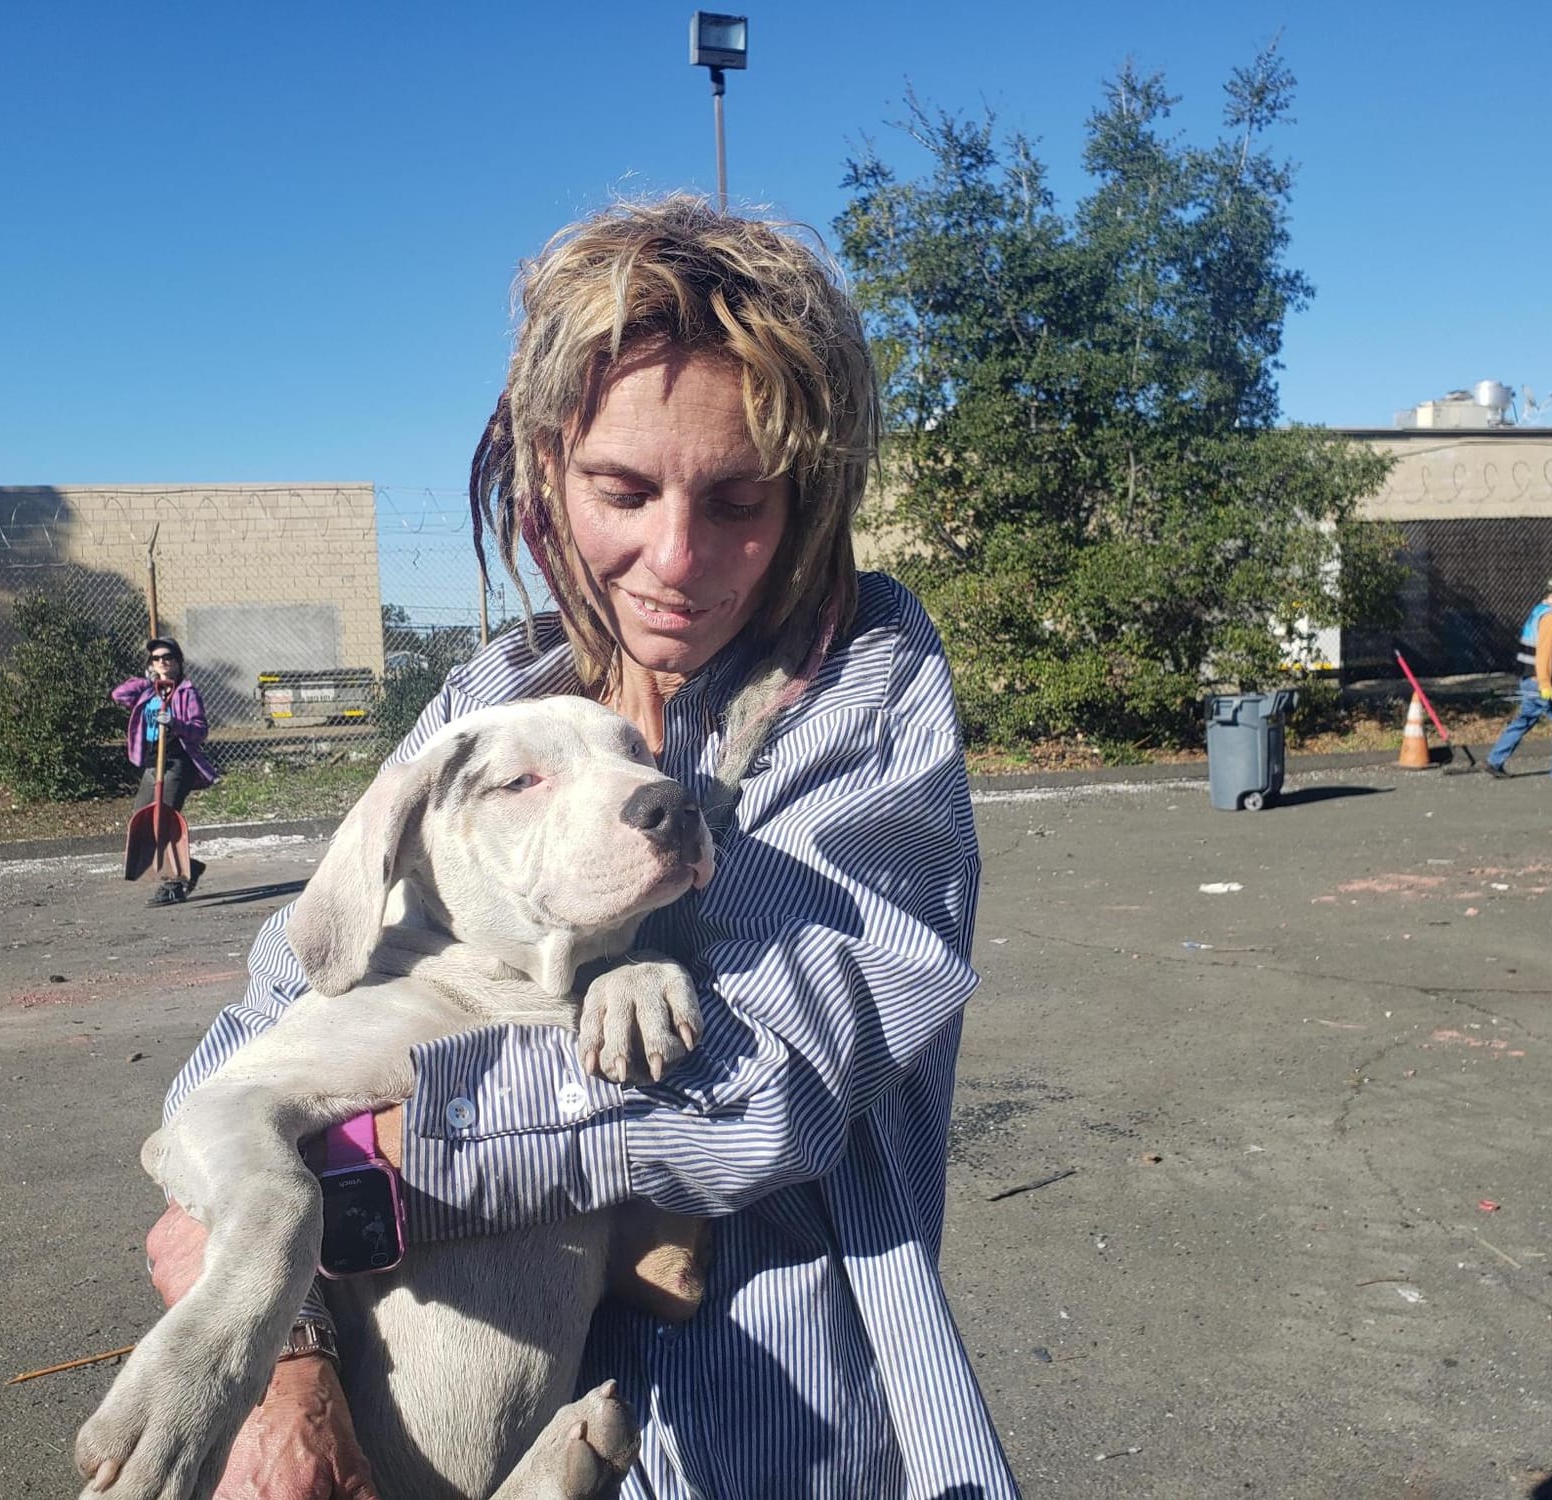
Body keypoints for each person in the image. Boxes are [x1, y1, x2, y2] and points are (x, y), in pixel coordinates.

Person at [144, 196, 1021, 1499]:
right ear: (545, 463)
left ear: (811, 493)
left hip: (761, 1433)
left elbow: (752, 1088)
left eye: (738, 499)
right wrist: (280, 1364)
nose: (675, 558)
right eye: (624, 487)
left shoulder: (858, 688)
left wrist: (329, 1178)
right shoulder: (485, 707)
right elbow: (257, 1034)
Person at [110, 636, 217, 904]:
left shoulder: (187, 692)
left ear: (178, 662)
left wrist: (176, 723)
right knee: (142, 822)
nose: (163, 662)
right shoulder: (147, 692)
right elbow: (118, 695)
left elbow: (200, 730)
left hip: (176, 763)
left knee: (164, 822)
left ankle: (174, 884)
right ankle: (189, 867)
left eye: (167, 657)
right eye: (156, 658)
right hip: (151, 763)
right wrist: (147, 680)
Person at [1484, 571, 1552, 782]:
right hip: (1545, 679)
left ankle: (1494, 760)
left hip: (1529, 677)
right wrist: (1545, 683)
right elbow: (1544, 652)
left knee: (1526, 719)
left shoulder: (1539, 610)